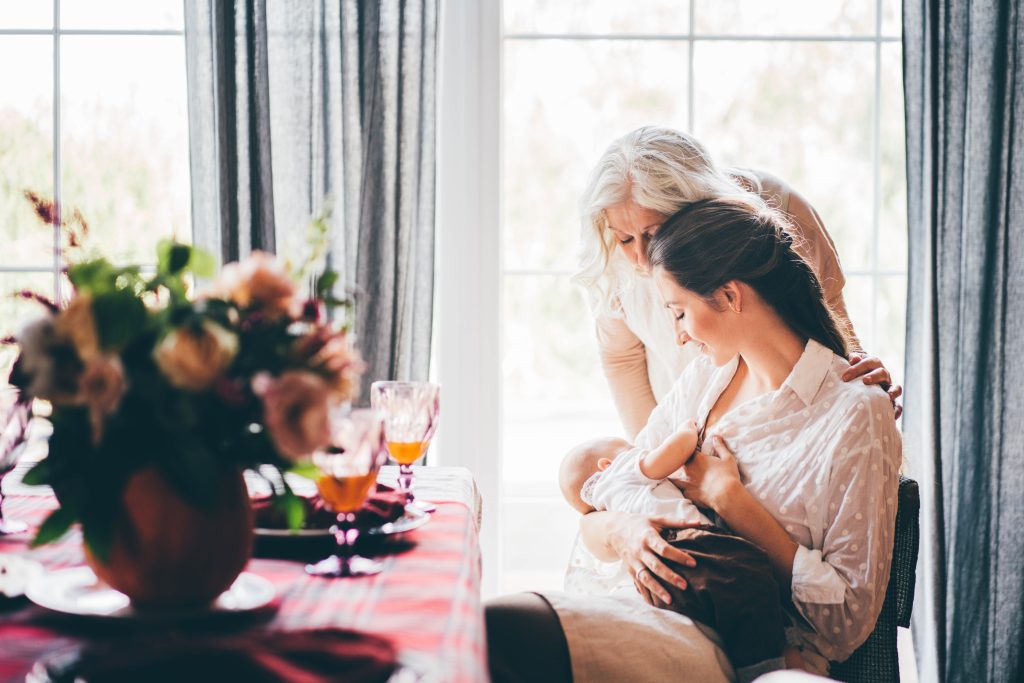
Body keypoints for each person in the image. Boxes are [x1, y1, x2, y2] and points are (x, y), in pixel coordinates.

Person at [486, 197, 902, 682]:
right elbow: (599, 516)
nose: (679, 336)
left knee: (500, 631)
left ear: (729, 296)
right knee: (494, 631)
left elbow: (847, 621)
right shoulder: (707, 379)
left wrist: (732, 501)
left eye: (679, 313)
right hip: (637, 602)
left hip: (730, 643)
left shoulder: (855, 412)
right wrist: (624, 534)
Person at [574, 126, 902, 439]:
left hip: (795, 427)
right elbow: (622, 359)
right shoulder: (610, 259)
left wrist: (859, 382)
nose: (643, 261)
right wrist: (658, 461)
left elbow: (827, 318)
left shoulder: (778, 211)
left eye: (653, 232)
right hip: (688, 428)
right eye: (626, 239)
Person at [560, 430, 802, 682]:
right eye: (629, 447)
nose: (639, 450)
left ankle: (779, 660)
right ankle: (764, 669)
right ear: (607, 464)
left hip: (658, 571)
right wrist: (687, 432)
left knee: (738, 598)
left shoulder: (607, 502)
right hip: (686, 542)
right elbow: (670, 453)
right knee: (749, 577)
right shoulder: (623, 470)